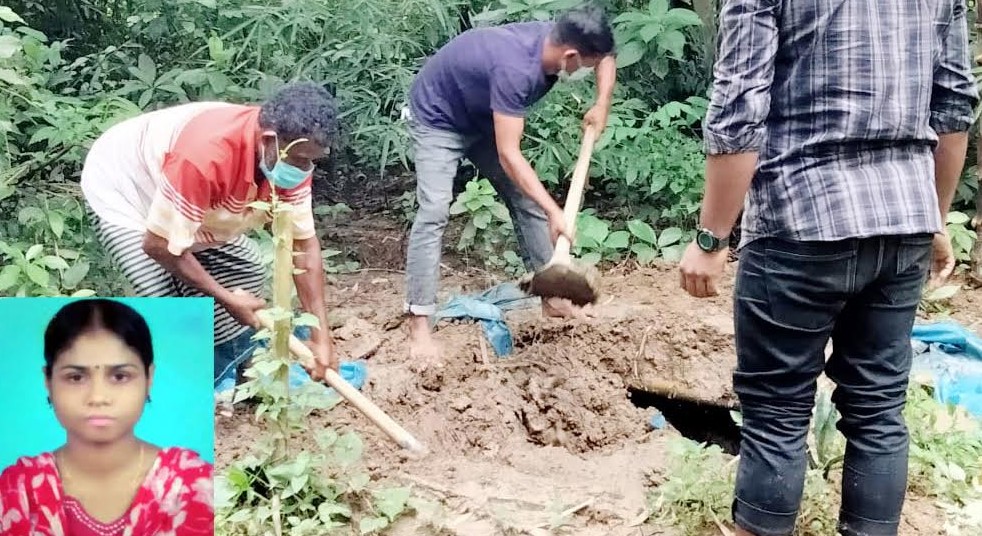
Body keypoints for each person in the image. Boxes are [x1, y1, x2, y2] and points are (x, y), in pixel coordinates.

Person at [679, 1, 978, 535]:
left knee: (776, 416)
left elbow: (739, 112)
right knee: (879, 411)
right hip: (903, 218)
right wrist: (933, 215)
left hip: (801, 219)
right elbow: (954, 105)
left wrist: (711, 236)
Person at [80, 82, 339, 385]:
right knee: (167, 299)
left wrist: (321, 335)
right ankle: (178, 382)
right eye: (300, 160)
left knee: (248, 268)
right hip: (128, 190)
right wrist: (225, 297)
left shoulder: (289, 156)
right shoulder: (205, 157)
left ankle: (232, 364)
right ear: (269, 140)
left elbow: (303, 245)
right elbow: (159, 245)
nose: (305, 168)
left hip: (187, 197)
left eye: (312, 160)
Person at [404, 3, 617, 365]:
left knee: (527, 199)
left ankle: (554, 298)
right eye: (585, 65)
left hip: (484, 115)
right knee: (435, 210)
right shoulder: (516, 68)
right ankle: (419, 323)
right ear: (569, 55)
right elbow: (509, 155)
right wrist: (555, 212)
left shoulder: (568, 35)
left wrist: (602, 102)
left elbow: (607, 55)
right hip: (438, 118)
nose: (587, 70)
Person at [0, 299, 213, 535]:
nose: (98, 397)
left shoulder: (194, 485)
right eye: (76, 377)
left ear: (148, 378)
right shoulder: (17, 490)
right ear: (48, 382)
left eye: (120, 376)